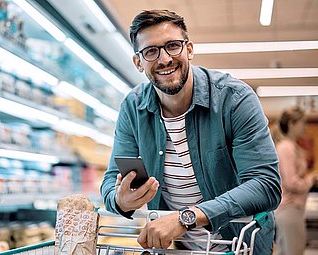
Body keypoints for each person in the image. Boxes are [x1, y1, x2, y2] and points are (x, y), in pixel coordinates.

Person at [100, 9, 281, 254]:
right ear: (138, 62)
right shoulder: (134, 108)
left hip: (240, 244)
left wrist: (186, 217)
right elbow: (111, 182)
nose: (164, 59)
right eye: (151, 51)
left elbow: (266, 184)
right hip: (180, 248)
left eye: (173, 46)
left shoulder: (234, 99)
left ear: (190, 49)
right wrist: (120, 201)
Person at [273, 107, 318, 255]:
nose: (305, 126)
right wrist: (310, 180)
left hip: (289, 209)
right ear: (292, 124)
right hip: (290, 208)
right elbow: (291, 182)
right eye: (302, 123)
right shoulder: (287, 147)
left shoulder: (289, 146)